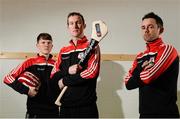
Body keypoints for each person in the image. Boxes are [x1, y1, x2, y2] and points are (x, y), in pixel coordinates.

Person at [124, 12, 179, 118]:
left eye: (150, 27)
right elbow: (128, 84)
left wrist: (139, 72)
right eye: (143, 27)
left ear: (160, 30)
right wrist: (143, 70)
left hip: (166, 114)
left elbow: (149, 76)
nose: (146, 30)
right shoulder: (140, 56)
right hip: (144, 114)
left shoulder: (168, 50)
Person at [50, 12, 100, 118]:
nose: (75, 26)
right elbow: (54, 75)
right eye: (71, 23)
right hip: (65, 107)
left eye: (78, 23)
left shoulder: (92, 46)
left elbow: (91, 73)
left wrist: (64, 81)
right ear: (68, 27)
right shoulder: (63, 51)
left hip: (86, 107)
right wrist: (67, 71)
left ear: (84, 25)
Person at [3, 33, 59, 118]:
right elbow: (8, 78)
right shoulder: (29, 62)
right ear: (37, 45)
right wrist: (26, 90)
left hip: (54, 111)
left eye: (49, 42)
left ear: (52, 46)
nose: (46, 45)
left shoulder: (57, 64)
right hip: (35, 110)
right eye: (43, 42)